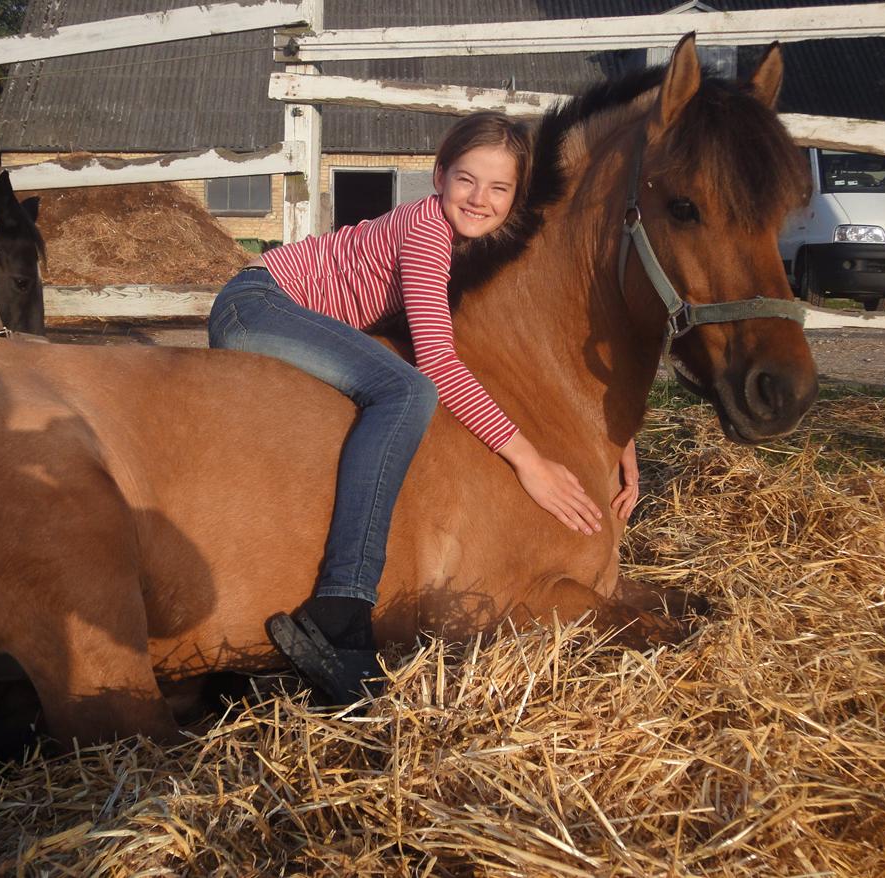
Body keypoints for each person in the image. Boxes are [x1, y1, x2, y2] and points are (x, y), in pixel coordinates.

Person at [208, 112, 639, 704]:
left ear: (515, 198)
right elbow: (437, 359)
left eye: (499, 187)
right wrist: (529, 461)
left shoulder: (472, 242)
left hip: (284, 311)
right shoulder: (428, 232)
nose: (480, 198)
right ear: (438, 176)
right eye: (466, 180)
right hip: (258, 304)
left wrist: (616, 438)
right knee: (408, 391)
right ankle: (340, 606)